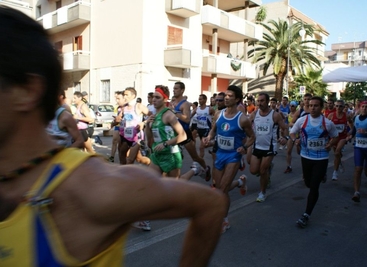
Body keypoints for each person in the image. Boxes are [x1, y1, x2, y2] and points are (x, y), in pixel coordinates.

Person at [0, 7, 227, 266]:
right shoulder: (147, 113)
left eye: (156, 97)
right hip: (149, 147)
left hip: (172, 150)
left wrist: (168, 133)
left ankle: (192, 173)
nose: (152, 99)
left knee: (161, 178)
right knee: (133, 161)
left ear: (27, 91)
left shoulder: (93, 188)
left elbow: (209, 204)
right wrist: (140, 133)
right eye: (151, 97)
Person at [203, 85, 255, 233]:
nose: (226, 98)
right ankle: (240, 182)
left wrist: (244, 148)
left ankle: (222, 220)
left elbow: (252, 137)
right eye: (225, 95)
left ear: (237, 99)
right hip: (219, 154)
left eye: (230, 96)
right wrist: (208, 138)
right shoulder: (218, 115)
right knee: (219, 188)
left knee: (222, 190)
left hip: (233, 156)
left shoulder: (242, 119)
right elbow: (213, 131)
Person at [290, 96, 339, 228]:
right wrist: (296, 141)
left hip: (321, 158)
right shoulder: (302, 120)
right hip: (306, 156)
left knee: (314, 186)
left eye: (316, 105)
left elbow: (335, 136)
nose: (312, 108)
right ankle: (321, 176)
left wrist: (330, 144)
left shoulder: (327, 123)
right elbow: (292, 132)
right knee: (307, 183)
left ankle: (306, 214)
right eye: (310, 105)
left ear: (321, 107)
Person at [248, 92, 288, 202]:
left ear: (267, 102)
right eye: (258, 101)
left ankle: (262, 192)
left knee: (262, 171)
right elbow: (246, 126)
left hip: (270, 148)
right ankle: (268, 170)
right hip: (257, 146)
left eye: (262, 101)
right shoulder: (254, 114)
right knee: (253, 170)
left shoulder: (275, 115)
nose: (259, 103)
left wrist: (285, 138)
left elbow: (284, 128)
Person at [172, 82, 211, 181]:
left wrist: (176, 113)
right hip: (175, 133)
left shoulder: (185, 104)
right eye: (173, 88)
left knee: (195, 157)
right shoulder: (172, 103)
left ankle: (206, 169)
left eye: (176, 88)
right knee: (174, 158)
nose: (174, 90)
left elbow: (187, 119)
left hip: (185, 133)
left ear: (182, 90)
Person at [116, 87, 150, 165]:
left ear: (133, 96)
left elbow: (153, 116)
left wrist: (143, 123)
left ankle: (152, 166)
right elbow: (119, 120)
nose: (124, 97)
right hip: (125, 136)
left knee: (130, 160)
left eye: (126, 95)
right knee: (123, 156)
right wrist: (115, 121)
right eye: (124, 95)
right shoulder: (124, 107)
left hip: (136, 137)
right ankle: (124, 174)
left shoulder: (139, 106)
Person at [327, 99, 352, 181]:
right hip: (334, 137)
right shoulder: (331, 115)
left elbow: (352, 127)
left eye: (340, 106)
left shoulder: (346, 116)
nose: (338, 107)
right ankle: (339, 162)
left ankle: (335, 172)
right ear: (335, 106)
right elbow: (326, 127)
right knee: (337, 154)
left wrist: (349, 134)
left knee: (337, 152)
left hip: (342, 137)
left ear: (343, 107)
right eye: (337, 106)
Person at [193, 94, 215, 158]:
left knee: (201, 147)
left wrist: (213, 122)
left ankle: (198, 164)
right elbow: (190, 116)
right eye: (199, 99)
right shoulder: (197, 109)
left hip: (206, 129)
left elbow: (216, 115)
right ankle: (214, 143)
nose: (199, 100)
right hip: (199, 129)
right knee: (205, 145)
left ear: (205, 100)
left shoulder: (209, 109)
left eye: (201, 99)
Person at [109, 91, 125, 162]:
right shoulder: (117, 107)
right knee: (115, 141)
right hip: (118, 126)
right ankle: (112, 157)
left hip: (127, 129)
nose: (116, 100)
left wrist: (144, 122)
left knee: (122, 146)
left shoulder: (129, 107)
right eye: (116, 98)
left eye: (118, 98)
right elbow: (117, 118)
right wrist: (112, 123)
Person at [284, 101, 299, 173]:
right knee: (288, 151)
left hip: (298, 136)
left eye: (293, 106)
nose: (291, 107)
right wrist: (286, 136)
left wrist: (293, 125)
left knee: (300, 152)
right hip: (291, 135)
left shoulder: (299, 114)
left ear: (296, 106)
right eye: (290, 105)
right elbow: (287, 126)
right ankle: (288, 166)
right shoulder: (289, 115)